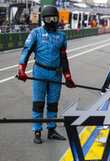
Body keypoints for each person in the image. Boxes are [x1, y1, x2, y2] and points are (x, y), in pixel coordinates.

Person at [18, 5, 76, 144]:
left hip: (56, 73)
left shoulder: (61, 36)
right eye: (49, 19)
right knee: (38, 102)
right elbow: (26, 51)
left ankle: (51, 130)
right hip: (40, 72)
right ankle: (37, 130)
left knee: (53, 103)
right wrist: (21, 69)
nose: (52, 21)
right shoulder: (35, 33)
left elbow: (64, 58)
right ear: (44, 19)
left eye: (54, 18)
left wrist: (68, 77)